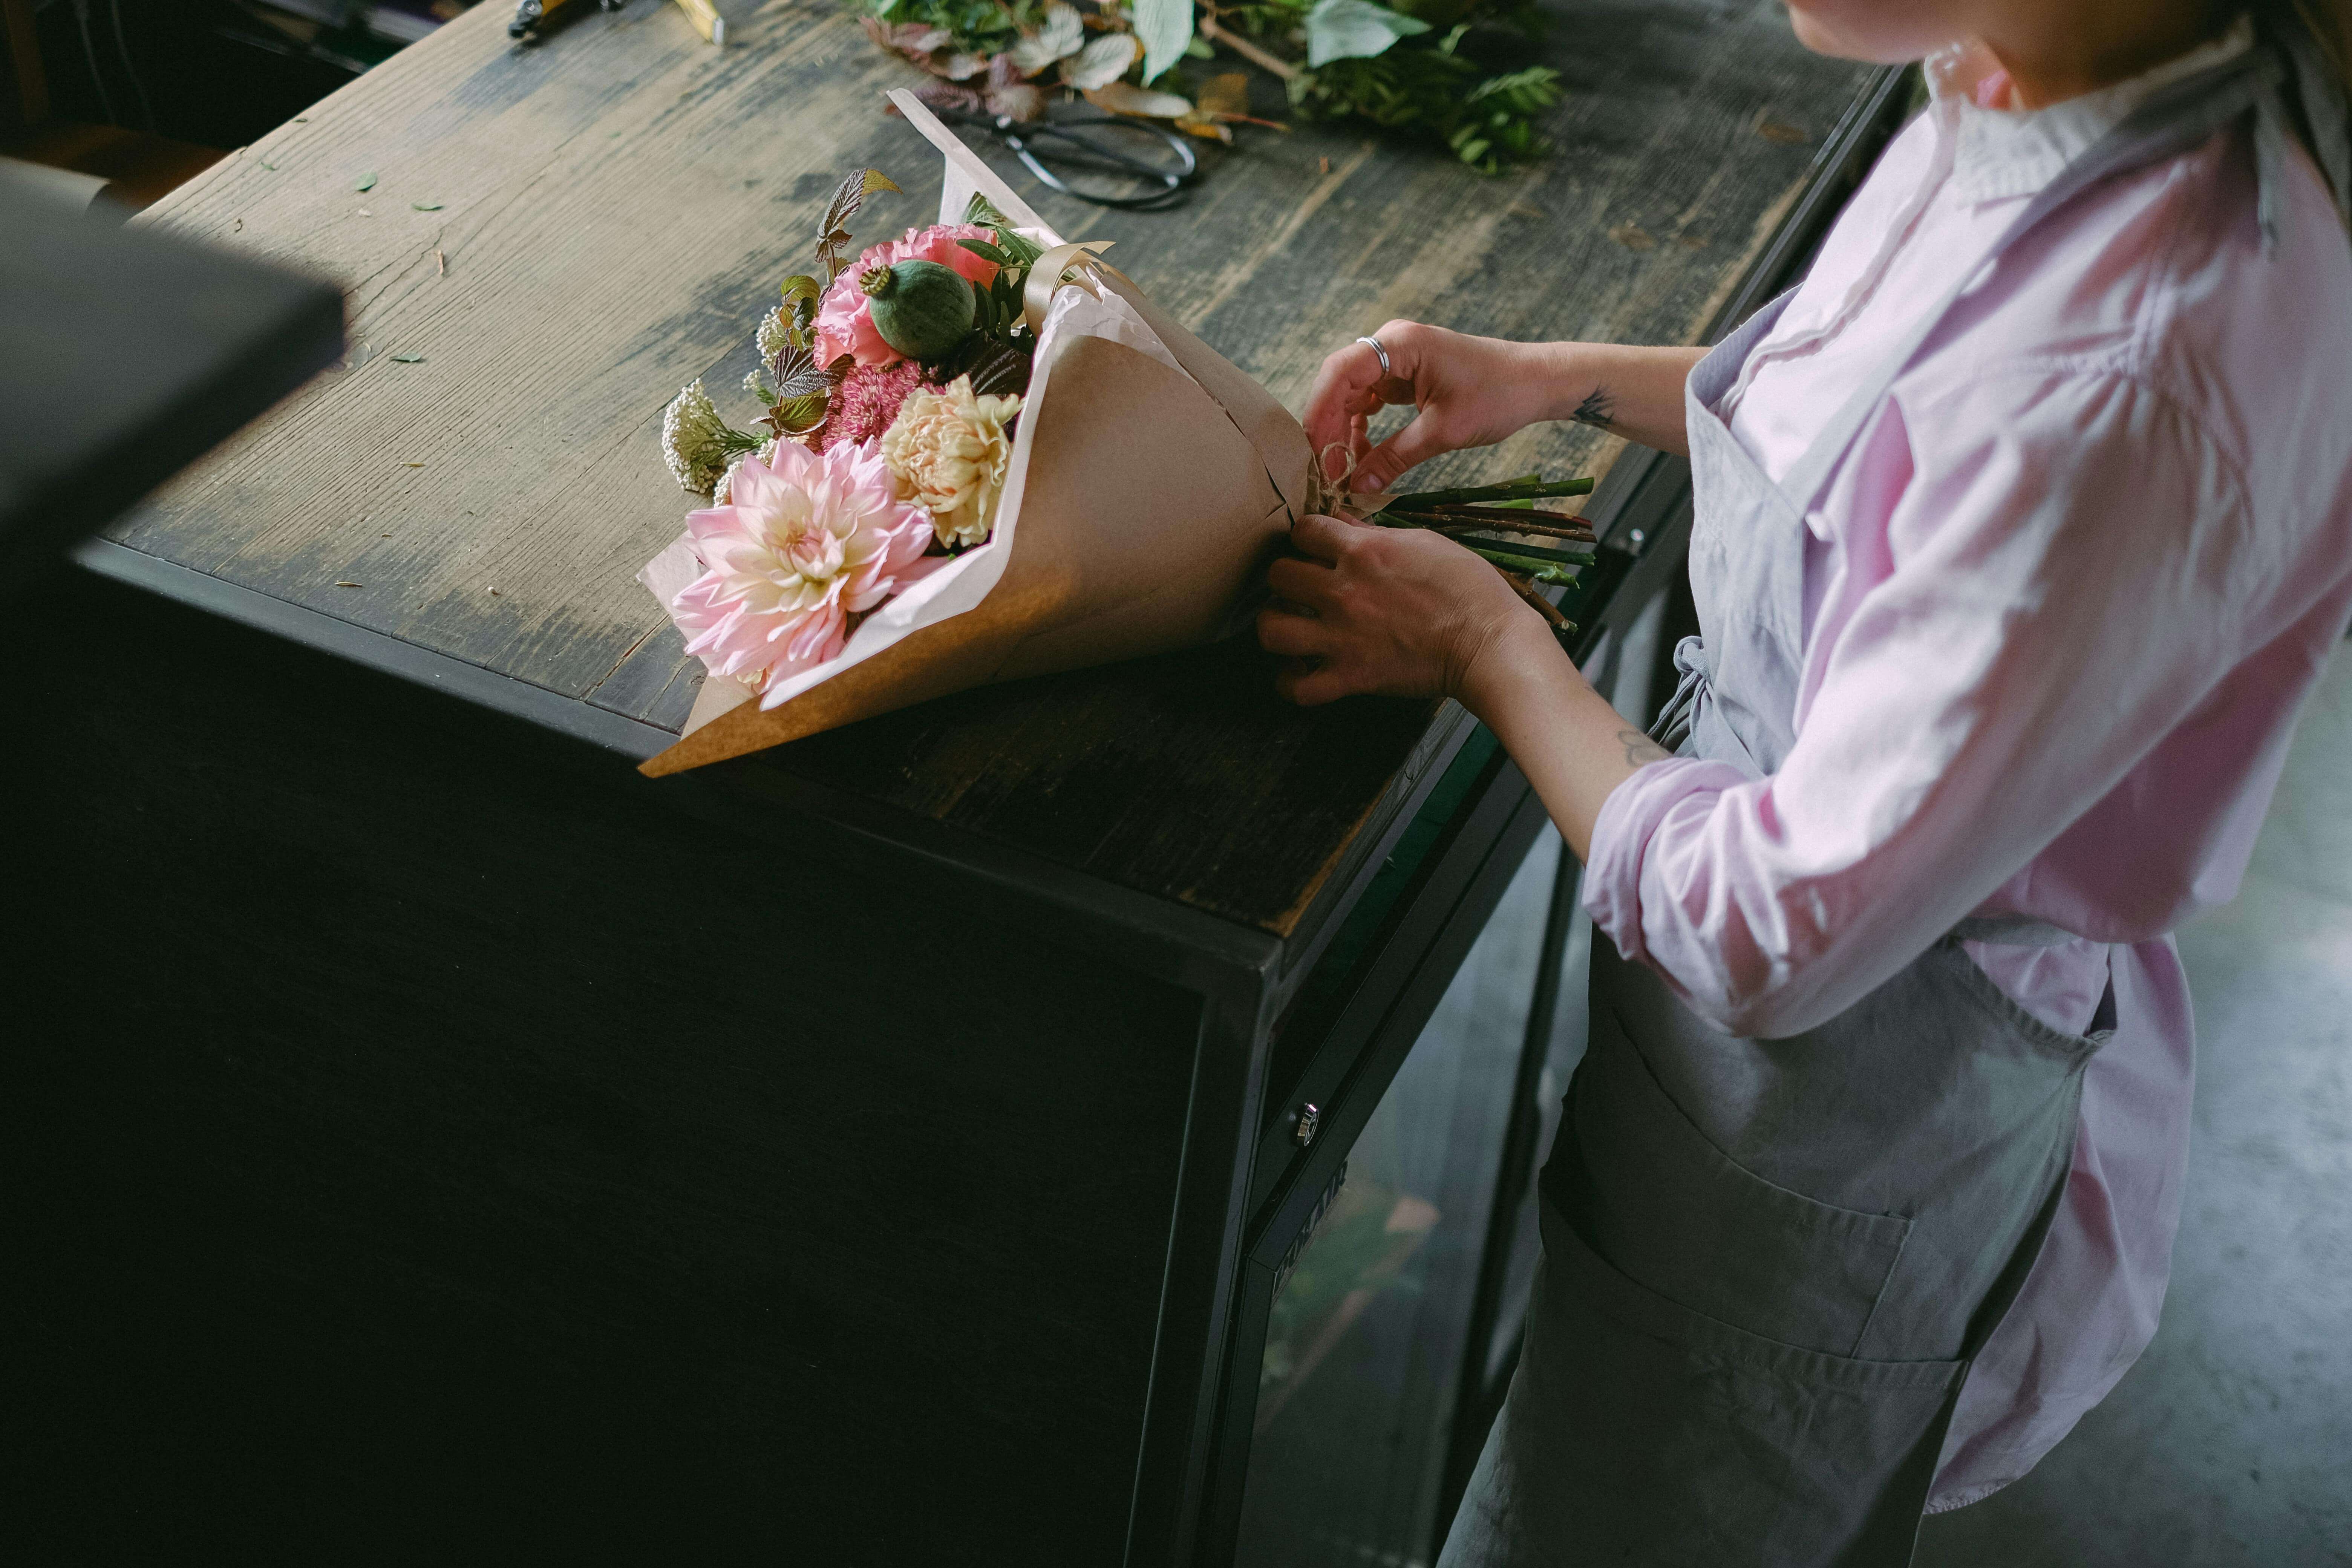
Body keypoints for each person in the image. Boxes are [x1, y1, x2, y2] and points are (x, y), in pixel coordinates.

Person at [1259, 1, 2352, 1562]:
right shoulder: (2043, 81)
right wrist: (1554, 378)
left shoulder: (2137, 365)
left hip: (1844, 1114)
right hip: (1761, 1076)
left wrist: (1484, 642)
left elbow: (1774, 925)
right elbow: (1899, 431)